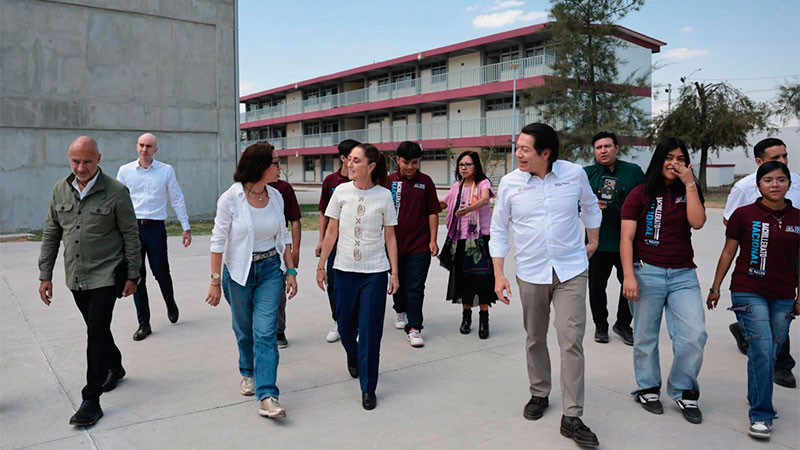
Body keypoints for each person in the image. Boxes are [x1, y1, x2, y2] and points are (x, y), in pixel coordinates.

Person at [491, 123, 602, 447]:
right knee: (535, 338)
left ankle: (572, 416)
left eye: (525, 149)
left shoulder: (573, 175)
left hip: (571, 270)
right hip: (530, 272)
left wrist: (592, 240)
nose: (518, 154)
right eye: (518, 147)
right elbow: (499, 230)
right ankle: (539, 393)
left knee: (571, 340)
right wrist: (499, 273)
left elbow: (591, 206)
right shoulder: (511, 183)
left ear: (546, 153)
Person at [38, 136, 141, 426]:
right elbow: (51, 234)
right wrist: (45, 274)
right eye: (75, 161)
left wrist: (133, 274)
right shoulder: (59, 190)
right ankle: (116, 366)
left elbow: (131, 235)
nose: (81, 167)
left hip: (107, 274)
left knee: (95, 331)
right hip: (76, 275)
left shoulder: (117, 192)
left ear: (98, 158)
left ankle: (91, 400)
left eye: (86, 161)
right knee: (97, 328)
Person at [707, 161, 800, 439]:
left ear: (788, 184)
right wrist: (715, 287)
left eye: (781, 180)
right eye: (768, 180)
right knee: (761, 347)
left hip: (783, 295)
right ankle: (761, 414)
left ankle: (756, 393)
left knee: (770, 351)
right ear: (758, 185)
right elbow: (728, 252)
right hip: (748, 289)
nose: (775, 185)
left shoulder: (798, 218)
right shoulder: (744, 215)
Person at [205, 142, 298, 419]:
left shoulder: (277, 196)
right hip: (238, 273)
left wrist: (290, 271)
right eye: (275, 162)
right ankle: (247, 371)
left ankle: (268, 394)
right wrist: (214, 281)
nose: (279, 167)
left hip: (271, 268)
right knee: (244, 330)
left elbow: (283, 237)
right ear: (260, 166)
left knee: (265, 332)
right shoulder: (231, 198)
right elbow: (218, 241)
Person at [620, 137, 707, 424]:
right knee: (645, 336)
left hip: (683, 274)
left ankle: (683, 390)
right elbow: (627, 238)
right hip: (647, 272)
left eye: (681, 158)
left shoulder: (689, 190)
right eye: (669, 157)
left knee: (693, 336)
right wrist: (629, 276)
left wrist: (690, 183)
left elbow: (697, 222)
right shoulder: (641, 193)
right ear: (659, 160)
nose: (674, 163)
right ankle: (648, 388)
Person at [316, 143, 399, 410]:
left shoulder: (385, 195)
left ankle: (368, 387)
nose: (350, 165)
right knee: (345, 327)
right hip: (343, 270)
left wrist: (394, 272)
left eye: (356, 161)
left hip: (374, 272)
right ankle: (353, 355)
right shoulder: (340, 191)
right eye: (349, 160)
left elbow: (390, 236)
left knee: (371, 331)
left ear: (371, 166)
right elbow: (331, 232)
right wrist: (321, 265)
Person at [722, 138, 799, 389]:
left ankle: (748, 334)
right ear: (759, 162)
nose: (783, 162)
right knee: (766, 330)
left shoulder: (795, 181)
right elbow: (730, 221)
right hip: (757, 264)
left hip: (789, 257)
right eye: (776, 158)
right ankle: (781, 365)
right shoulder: (744, 188)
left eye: (785, 156)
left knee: (780, 318)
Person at [116, 133, 191, 341]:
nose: (144, 149)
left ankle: (170, 302)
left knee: (161, 272)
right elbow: (116, 201)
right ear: (136, 147)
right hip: (132, 230)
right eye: (141, 145)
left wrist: (186, 227)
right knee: (136, 277)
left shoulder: (166, 171)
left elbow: (177, 198)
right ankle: (144, 323)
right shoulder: (125, 171)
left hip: (156, 229)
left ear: (155, 150)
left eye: (149, 146)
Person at [583, 131, 644, 345]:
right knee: (596, 286)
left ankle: (623, 324)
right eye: (598, 147)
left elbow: (646, 200)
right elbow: (571, 204)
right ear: (594, 151)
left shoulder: (633, 171)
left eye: (607, 146)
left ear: (616, 148)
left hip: (626, 240)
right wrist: (588, 206)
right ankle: (601, 326)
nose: (603, 151)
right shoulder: (586, 174)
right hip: (597, 241)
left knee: (629, 284)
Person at [388, 141, 442, 347]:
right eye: (406, 162)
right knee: (398, 284)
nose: (410, 167)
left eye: (414, 162)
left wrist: (433, 239)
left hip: (419, 245)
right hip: (393, 246)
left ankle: (415, 327)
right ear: (397, 160)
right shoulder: (389, 181)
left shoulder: (426, 182)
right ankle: (399, 311)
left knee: (416, 287)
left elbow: (432, 212)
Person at [440, 151, 497, 339]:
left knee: (482, 281)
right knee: (463, 282)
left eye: (468, 164)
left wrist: (468, 209)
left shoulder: (483, 184)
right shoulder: (457, 186)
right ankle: (466, 318)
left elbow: (484, 199)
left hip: (480, 240)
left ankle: (484, 319)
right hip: (461, 240)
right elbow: (444, 204)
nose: (463, 168)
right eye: (461, 164)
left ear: (476, 166)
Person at [316, 139, 361, 343]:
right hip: (335, 244)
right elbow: (324, 213)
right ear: (343, 158)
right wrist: (321, 240)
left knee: (356, 286)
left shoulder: (365, 181)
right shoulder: (331, 181)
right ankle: (339, 322)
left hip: (357, 244)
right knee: (334, 286)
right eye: (351, 157)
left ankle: (356, 323)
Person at [269, 171, 302, 349]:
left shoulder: (283, 189)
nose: (279, 168)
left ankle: (279, 330)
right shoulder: (243, 190)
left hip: (280, 251)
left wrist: (295, 250)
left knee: (279, 295)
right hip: (253, 255)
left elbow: (294, 221)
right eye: (275, 163)